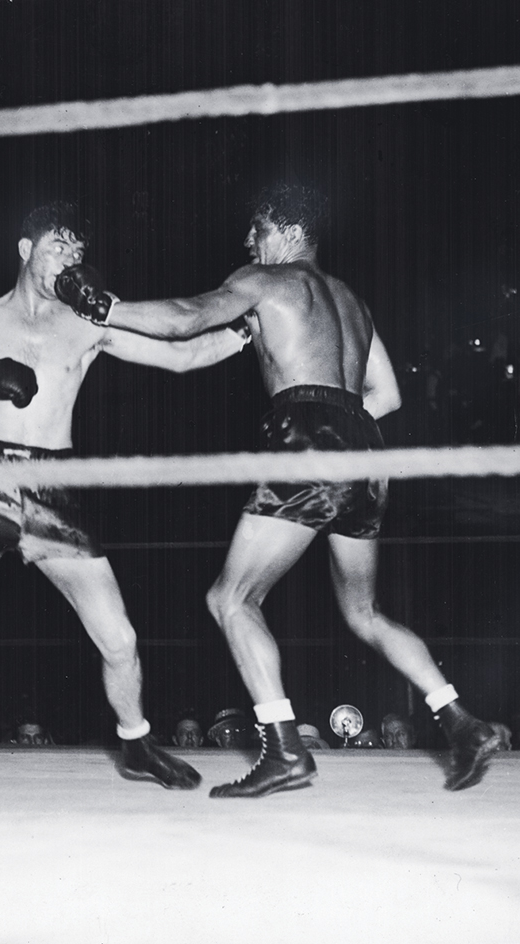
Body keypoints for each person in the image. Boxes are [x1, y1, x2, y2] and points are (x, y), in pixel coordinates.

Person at [56, 182, 501, 797]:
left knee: (230, 599)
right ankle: (461, 722)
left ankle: (285, 749)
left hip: (309, 438)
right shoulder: (351, 302)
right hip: (365, 449)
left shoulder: (269, 281)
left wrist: (104, 308)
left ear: (289, 231)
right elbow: (388, 397)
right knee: (365, 613)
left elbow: (187, 318)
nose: (248, 241)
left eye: (257, 229)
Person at [0, 201, 250, 800]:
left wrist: (247, 329)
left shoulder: (87, 322)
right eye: (59, 246)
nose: (71, 259)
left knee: (119, 637)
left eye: (78, 252)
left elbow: (182, 355)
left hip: (53, 489)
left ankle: (136, 743)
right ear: (25, 249)